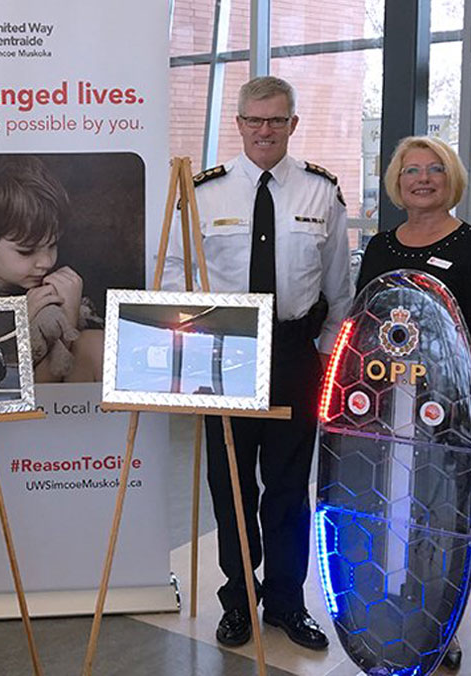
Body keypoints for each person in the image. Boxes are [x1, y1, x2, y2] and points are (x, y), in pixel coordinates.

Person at [162, 75, 352, 650]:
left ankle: (288, 603)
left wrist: (323, 358)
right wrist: (191, 346)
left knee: (290, 486)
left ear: (293, 124)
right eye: (254, 119)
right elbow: (174, 273)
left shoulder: (321, 192)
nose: (264, 130)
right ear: (239, 123)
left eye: (275, 120)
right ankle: (240, 599)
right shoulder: (204, 192)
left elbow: (339, 289)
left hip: (295, 353)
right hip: (224, 353)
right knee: (230, 484)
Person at [354, 136, 471, 670]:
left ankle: (439, 624)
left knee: (438, 517)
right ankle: (383, 608)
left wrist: (463, 409)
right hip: (383, 409)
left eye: (434, 169)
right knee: (384, 511)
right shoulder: (381, 246)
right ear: (397, 182)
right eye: (411, 170)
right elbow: (364, 322)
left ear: (451, 179)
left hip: (445, 414)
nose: (423, 179)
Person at [0, 154, 104, 383]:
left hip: (70, 401)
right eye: (26, 251)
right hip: (18, 401)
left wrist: (73, 308)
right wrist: (65, 320)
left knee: (95, 342)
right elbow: (6, 387)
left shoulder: (51, 284)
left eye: (52, 245)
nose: (46, 262)